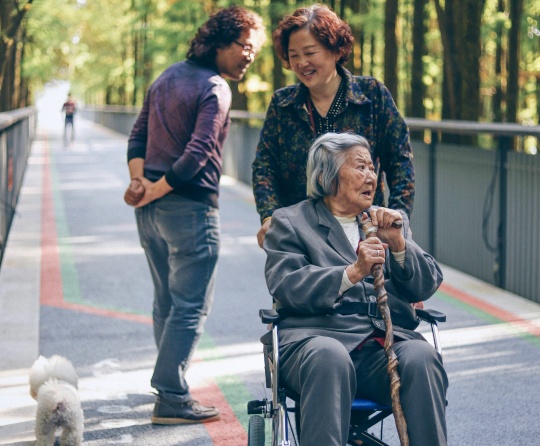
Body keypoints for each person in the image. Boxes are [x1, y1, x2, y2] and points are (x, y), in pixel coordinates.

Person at [123, 6, 265, 425]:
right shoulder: (216, 87)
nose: (248, 57)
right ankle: (171, 395)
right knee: (190, 306)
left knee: (166, 300)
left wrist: (139, 184)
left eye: (253, 52)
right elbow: (199, 153)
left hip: (148, 210)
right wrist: (156, 187)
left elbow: (137, 135)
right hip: (189, 209)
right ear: (222, 42)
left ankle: (169, 387)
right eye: (245, 47)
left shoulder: (166, 77)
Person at [263, 132, 448, 445]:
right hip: (315, 342)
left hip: (381, 350)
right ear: (328, 176)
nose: (371, 177)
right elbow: (286, 285)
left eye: (372, 169)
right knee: (328, 355)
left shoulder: (387, 221)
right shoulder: (291, 222)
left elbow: (427, 284)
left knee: (420, 356)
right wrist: (352, 273)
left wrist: (400, 246)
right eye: (360, 168)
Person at [253, 4, 414, 248]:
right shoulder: (282, 104)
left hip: (363, 234)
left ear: (336, 50)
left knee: (364, 286)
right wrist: (269, 215)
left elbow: (400, 162)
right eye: (294, 55)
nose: (301, 63)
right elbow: (265, 166)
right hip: (300, 235)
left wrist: (397, 217)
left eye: (310, 52)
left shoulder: (372, 95)